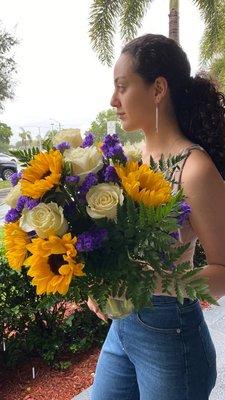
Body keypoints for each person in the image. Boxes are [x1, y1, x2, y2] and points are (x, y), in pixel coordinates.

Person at [88, 34, 225, 400]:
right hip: (122, 329)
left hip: (172, 338)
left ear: (158, 89)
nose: (113, 101)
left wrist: (150, 282)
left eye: (122, 87)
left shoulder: (194, 169)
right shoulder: (134, 162)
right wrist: (98, 280)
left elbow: (224, 270)